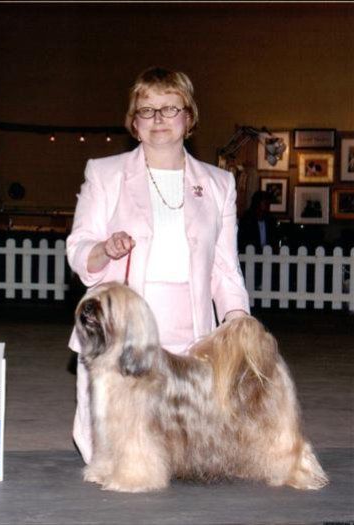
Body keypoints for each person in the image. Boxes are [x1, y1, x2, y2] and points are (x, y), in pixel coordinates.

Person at [66, 67, 250, 464]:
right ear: (134, 123)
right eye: (146, 110)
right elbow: (78, 250)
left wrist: (238, 321)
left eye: (170, 108)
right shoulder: (105, 172)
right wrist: (104, 248)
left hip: (191, 332)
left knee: (186, 456)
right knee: (123, 459)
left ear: (189, 117)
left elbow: (224, 266)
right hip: (125, 331)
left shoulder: (219, 184)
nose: (158, 119)